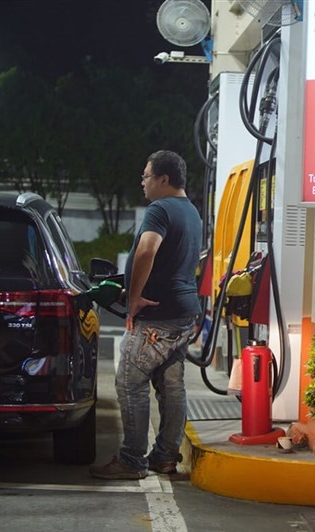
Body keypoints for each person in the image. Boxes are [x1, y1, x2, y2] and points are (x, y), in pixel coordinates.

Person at [90, 150, 202, 480]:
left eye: (146, 176)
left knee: (129, 379)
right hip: (183, 313)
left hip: (158, 316)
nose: (143, 183)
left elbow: (147, 249)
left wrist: (135, 297)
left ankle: (132, 459)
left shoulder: (160, 209)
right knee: (171, 384)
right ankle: (165, 456)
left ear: (164, 179)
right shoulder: (191, 211)